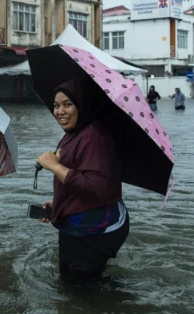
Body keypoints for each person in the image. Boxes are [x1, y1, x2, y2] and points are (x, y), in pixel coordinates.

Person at [36, 79, 129, 284]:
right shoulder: (74, 133)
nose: (60, 111)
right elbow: (80, 175)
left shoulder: (93, 136)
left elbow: (96, 186)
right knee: (74, 283)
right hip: (80, 221)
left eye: (68, 104)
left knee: (79, 290)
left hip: (94, 228)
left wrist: (54, 166)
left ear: (81, 105)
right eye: (56, 105)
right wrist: (58, 205)